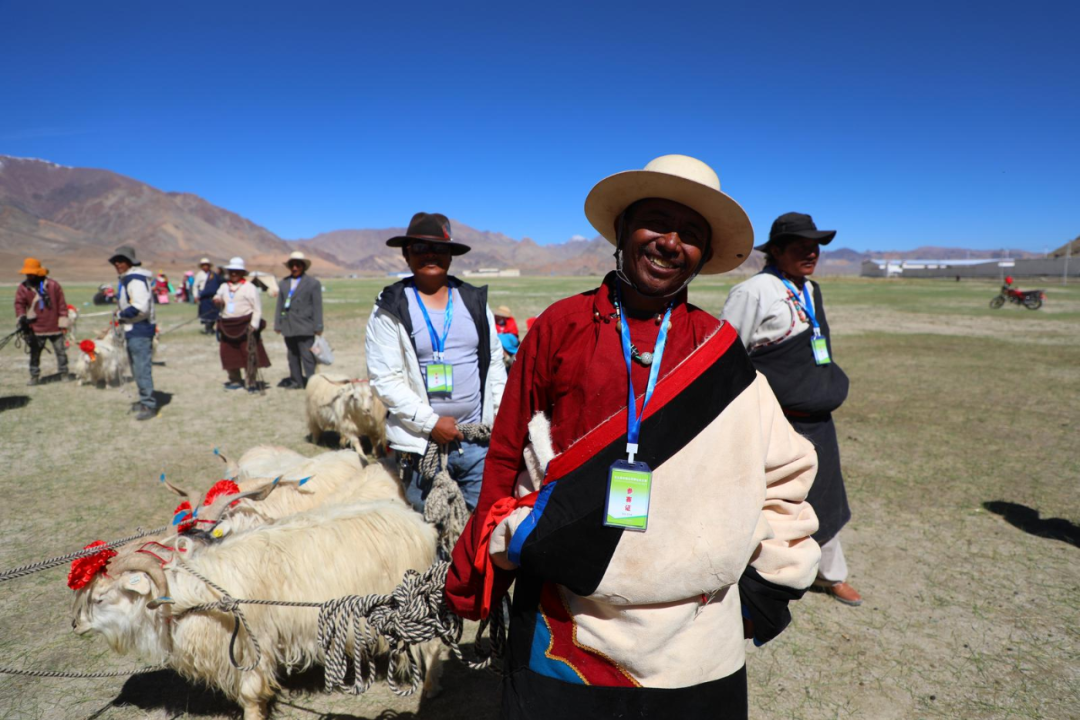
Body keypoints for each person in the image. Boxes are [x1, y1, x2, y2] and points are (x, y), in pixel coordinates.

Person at [444, 156, 822, 719]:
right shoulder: (560, 326)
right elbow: (504, 453)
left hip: (694, 637)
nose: (671, 243)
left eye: (691, 234)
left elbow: (782, 472)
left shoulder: (719, 351)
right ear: (622, 231)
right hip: (565, 620)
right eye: (656, 223)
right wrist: (489, 563)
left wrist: (767, 587)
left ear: (703, 255)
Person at [720, 212, 860, 607]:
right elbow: (728, 357)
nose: (811, 252)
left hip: (819, 421)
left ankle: (831, 575)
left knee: (826, 497)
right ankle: (761, 577)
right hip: (775, 424)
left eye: (815, 246)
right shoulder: (754, 291)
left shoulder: (810, 289)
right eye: (800, 246)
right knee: (770, 502)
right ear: (776, 250)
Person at [365, 212, 507, 512]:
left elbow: (494, 362)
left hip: (477, 443)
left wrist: (500, 416)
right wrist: (431, 423)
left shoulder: (474, 302)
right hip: (421, 446)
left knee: (480, 525)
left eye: (438, 248)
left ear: (451, 255)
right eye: (419, 248)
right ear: (406, 255)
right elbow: (385, 378)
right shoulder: (391, 307)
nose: (430, 254)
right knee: (431, 529)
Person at [109, 246, 158, 420]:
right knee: (136, 368)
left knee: (141, 368)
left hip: (140, 329)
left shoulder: (135, 280)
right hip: (133, 329)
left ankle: (149, 404)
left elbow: (140, 307)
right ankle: (145, 400)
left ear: (130, 262)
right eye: (115, 261)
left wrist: (121, 315)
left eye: (121, 260)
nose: (117, 264)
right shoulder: (128, 279)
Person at [214, 257, 270, 392]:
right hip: (227, 325)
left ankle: (251, 381)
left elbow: (257, 309)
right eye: (231, 271)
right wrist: (217, 300)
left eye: (237, 271)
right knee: (228, 354)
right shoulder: (223, 286)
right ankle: (234, 380)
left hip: (245, 325)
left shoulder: (250, 288)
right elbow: (217, 297)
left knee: (248, 354)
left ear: (242, 273)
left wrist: (254, 325)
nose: (234, 274)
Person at [14, 257, 71, 385]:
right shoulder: (23, 287)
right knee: (34, 353)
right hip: (35, 327)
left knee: (61, 351)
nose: (29, 275)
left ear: (38, 272)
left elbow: (61, 304)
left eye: (31, 273)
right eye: (27, 273)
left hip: (55, 325)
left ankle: (64, 373)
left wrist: (63, 321)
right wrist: (22, 317)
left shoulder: (53, 285)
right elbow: (19, 304)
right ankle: (34, 376)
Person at [274, 251, 323, 389]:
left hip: (305, 326)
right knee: (292, 356)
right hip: (288, 326)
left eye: (298, 265)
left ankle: (312, 383)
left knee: (307, 356)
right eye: (292, 265)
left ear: (303, 266)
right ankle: (296, 381)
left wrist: (318, 326)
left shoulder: (313, 283)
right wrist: (278, 323)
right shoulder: (283, 283)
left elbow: (317, 306)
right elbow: (280, 304)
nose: (295, 268)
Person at [197, 261, 222, 334]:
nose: (205, 267)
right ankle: (207, 328)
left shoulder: (213, 275)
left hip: (213, 296)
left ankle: (211, 328)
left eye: (206, 265)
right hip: (203, 297)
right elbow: (195, 286)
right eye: (203, 265)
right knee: (206, 314)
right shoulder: (199, 275)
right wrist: (196, 295)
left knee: (214, 313)